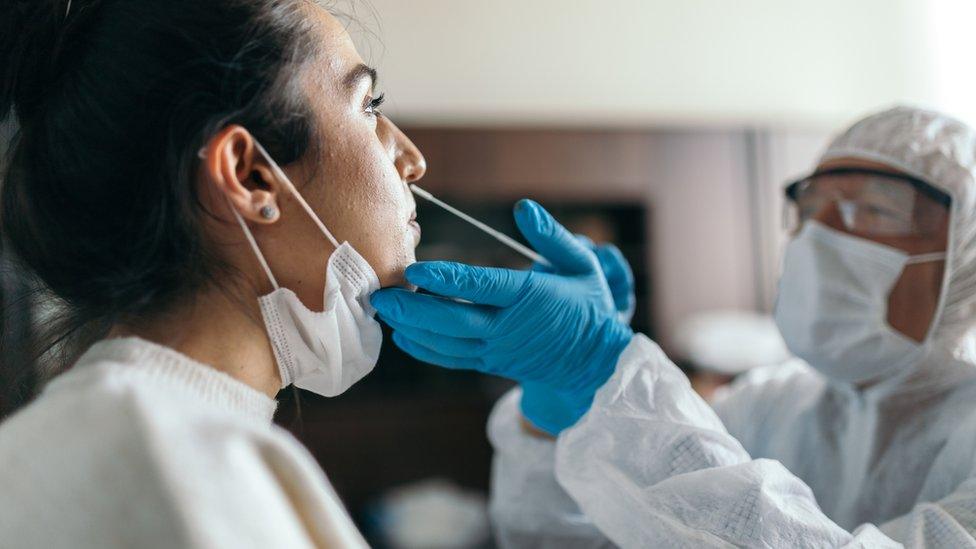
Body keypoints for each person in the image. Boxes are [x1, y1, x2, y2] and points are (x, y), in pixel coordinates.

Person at [371, 106, 976, 547]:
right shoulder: (769, 405)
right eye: (811, 208)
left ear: (965, 258)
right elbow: (561, 542)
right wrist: (560, 418)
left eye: (872, 211)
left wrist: (602, 367)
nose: (818, 237)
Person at [0, 1, 431, 547]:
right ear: (250, 177)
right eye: (369, 106)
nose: (413, 160)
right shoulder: (172, 466)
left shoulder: (117, 433)